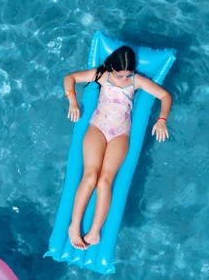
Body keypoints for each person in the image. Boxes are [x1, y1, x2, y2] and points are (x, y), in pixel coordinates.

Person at [64, 45, 173, 250]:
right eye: (120, 75)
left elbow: (165, 96)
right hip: (97, 128)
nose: (124, 79)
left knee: (105, 181)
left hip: (119, 135)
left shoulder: (136, 81)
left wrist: (162, 119)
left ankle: (95, 231)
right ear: (112, 68)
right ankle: (74, 226)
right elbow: (70, 78)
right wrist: (73, 102)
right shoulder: (102, 75)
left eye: (128, 75)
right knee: (90, 176)